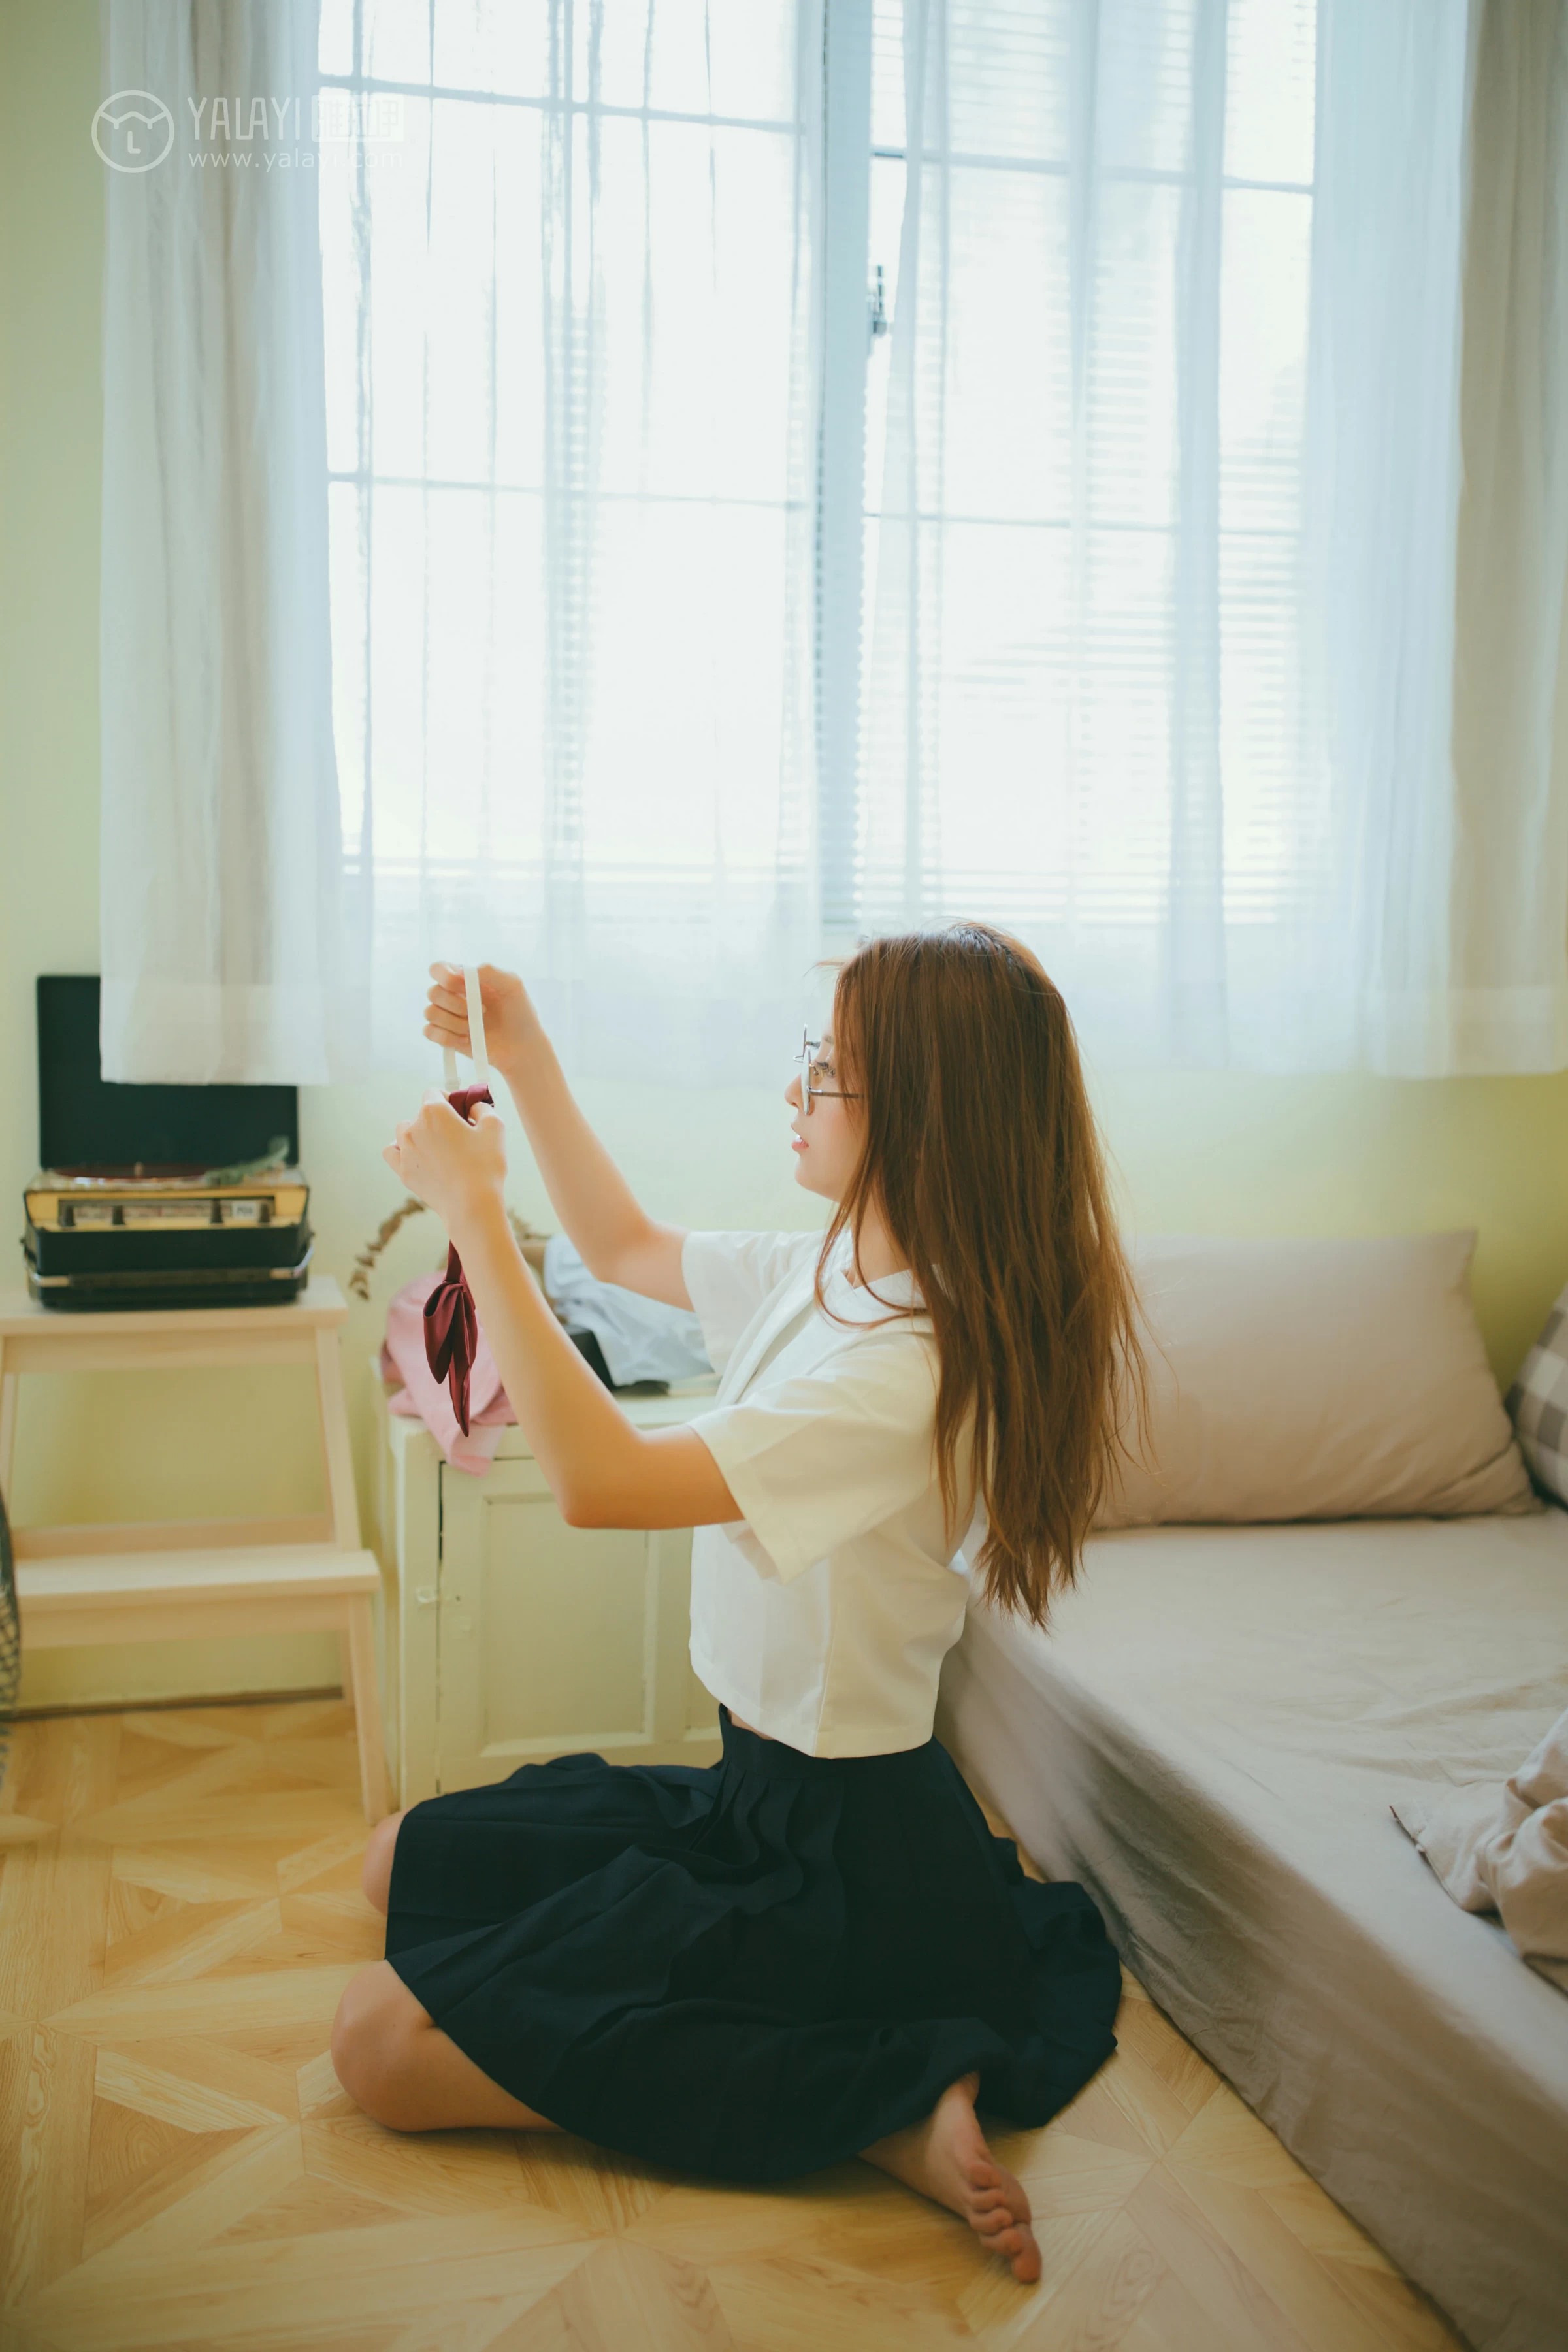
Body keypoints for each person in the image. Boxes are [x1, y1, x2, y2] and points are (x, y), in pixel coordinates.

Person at [332, 923, 1146, 2282]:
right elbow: (620, 1243)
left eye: (827, 1069)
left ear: (922, 1116)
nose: (795, 1090)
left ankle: (871, 2104)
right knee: (397, 1861)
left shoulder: (907, 1370)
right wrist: (524, 1055)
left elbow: (602, 1484)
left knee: (379, 2046)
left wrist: (475, 1218)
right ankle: (867, 2083)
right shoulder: (832, 1273)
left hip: (847, 1858)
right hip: (749, 1801)